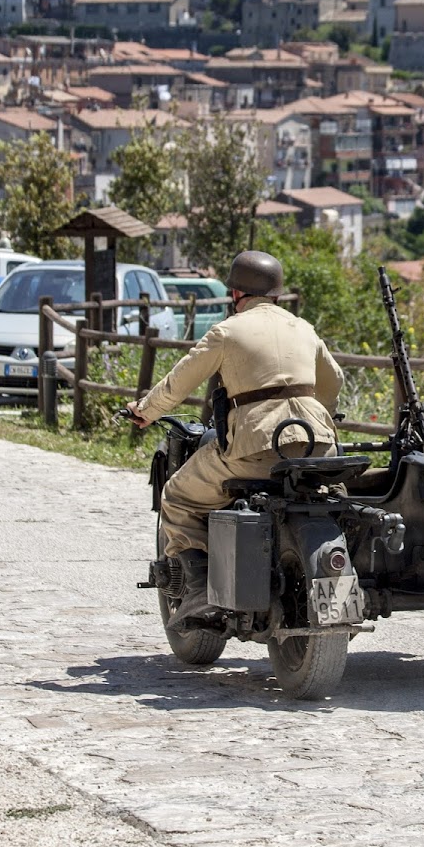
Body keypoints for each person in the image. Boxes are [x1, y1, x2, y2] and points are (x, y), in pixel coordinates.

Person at [127, 249, 344, 630]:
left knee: (178, 495)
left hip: (256, 446)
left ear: (236, 294)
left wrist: (146, 410)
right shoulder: (302, 327)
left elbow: (179, 382)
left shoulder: (227, 331)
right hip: (317, 443)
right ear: (276, 293)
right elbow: (334, 382)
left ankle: (196, 589)